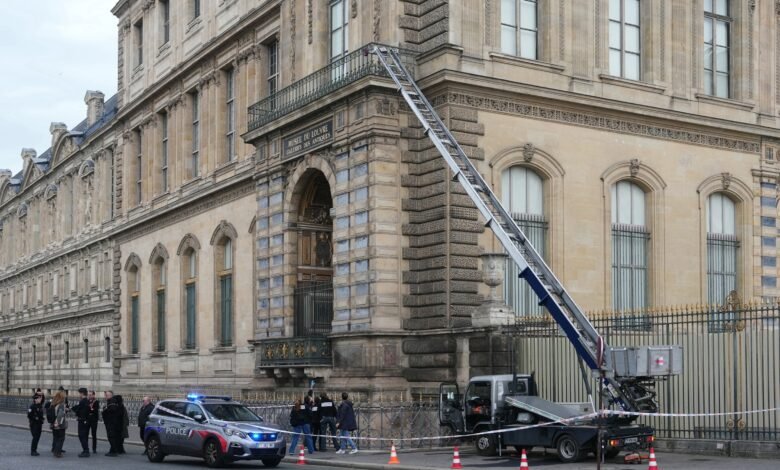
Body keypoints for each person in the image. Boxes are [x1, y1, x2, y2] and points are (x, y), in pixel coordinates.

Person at [71, 387, 91, 458]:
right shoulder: (86, 401)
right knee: (84, 436)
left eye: (79, 393)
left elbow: (79, 410)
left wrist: (75, 410)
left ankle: (86, 451)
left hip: (82, 420)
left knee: (82, 436)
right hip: (85, 420)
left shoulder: (83, 401)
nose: (78, 395)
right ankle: (85, 450)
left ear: (82, 393)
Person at [102, 392, 121, 457]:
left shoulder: (112, 402)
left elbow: (112, 410)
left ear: (110, 395)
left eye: (106, 395)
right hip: (110, 422)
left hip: (111, 422)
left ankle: (114, 451)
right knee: (111, 436)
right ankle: (112, 450)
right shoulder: (110, 401)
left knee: (111, 436)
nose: (105, 396)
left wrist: (105, 410)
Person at [50, 390, 68, 458]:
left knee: (56, 438)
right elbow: (60, 415)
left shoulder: (53, 403)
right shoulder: (61, 404)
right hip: (59, 425)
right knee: (61, 439)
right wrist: (58, 423)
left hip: (53, 424)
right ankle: (57, 453)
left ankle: (55, 450)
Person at [27, 392, 45, 456]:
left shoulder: (40, 405)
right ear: (35, 399)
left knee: (37, 437)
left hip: (39, 424)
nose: (40, 399)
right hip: (34, 424)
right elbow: (29, 415)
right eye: (39, 398)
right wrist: (36, 418)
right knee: (35, 437)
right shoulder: (32, 406)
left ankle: (35, 450)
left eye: (40, 398)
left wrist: (42, 394)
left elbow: (43, 399)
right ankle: (33, 451)